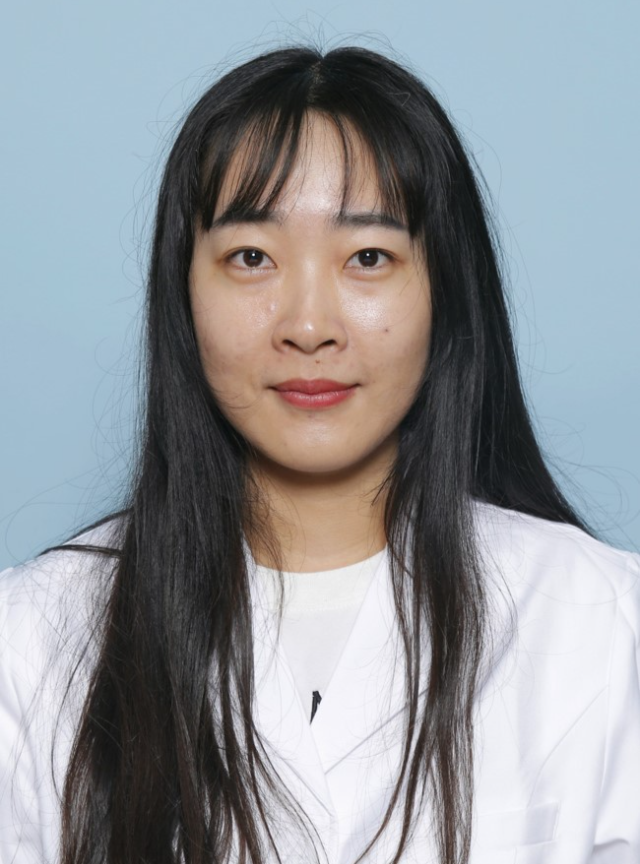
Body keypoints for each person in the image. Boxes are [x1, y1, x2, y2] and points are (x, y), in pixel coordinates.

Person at [0, 44, 638, 864]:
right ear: (183, 293)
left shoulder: (602, 622)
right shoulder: (32, 639)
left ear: (446, 291)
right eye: (251, 258)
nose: (308, 326)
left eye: (368, 257)